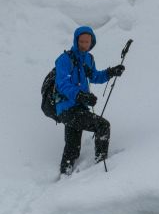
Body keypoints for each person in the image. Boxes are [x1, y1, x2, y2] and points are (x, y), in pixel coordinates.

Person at [54, 25, 125, 176]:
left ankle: (64, 176)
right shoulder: (64, 60)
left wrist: (111, 72)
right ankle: (100, 165)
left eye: (88, 42)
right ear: (75, 40)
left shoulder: (88, 58)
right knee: (102, 125)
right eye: (82, 41)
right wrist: (80, 95)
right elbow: (62, 84)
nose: (85, 45)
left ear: (92, 41)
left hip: (80, 109)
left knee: (72, 147)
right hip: (66, 108)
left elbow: (95, 76)